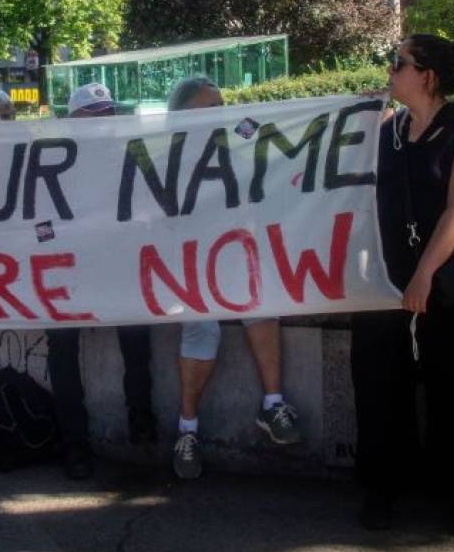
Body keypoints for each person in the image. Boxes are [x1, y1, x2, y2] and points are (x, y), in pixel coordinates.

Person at [353, 36, 454, 535]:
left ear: (428, 77)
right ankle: (381, 486)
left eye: (399, 64)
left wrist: (424, 276)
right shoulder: (390, 129)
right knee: (378, 382)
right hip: (390, 276)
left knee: (453, 386)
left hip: (450, 278)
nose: (390, 71)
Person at [166, 76, 301, 481]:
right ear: (182, 116)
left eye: (222, 106)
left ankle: (273, 404)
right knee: (201, 327)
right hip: (187, 268)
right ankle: (186, 430)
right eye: (210, 109)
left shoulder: (237, 156)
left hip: (232, 261)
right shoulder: (166, 162)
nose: (221, 115)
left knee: (261, 304)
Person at [46, 82, 155, 480]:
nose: (104, 121)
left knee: (138, 332)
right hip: (67, 270)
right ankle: (74, 442)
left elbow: (154, 205)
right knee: (60, 342)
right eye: (95, 115)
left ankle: (141, 417)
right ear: (73, 121)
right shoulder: (53, 159)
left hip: (118, 264)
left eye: (108, 113)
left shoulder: (131, 153)